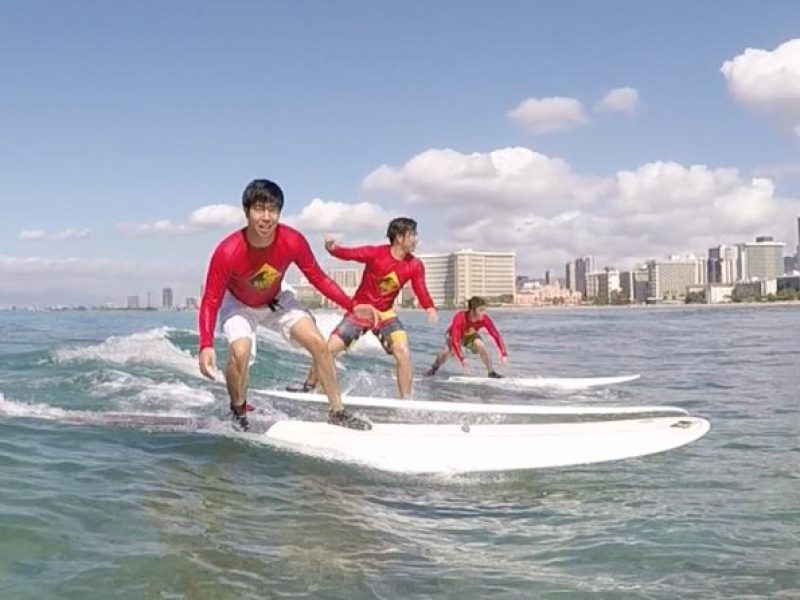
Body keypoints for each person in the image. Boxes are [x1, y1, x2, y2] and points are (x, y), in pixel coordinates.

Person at [198, 178, 374, 431]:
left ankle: (337, 412)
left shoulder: (292, 240)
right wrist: (206, 344)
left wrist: (351, 304)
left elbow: (318, 277)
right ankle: (238, 409)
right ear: (246, 211)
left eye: (273, 210)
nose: (266, 217)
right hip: (238, 304)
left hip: (276, 300)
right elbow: (211, 299)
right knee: (240, 352)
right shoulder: (228, 251)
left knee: (318, 343)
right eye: (260, 208)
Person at [293, 217, 438, 398]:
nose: (416, 239)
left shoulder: (414, 265)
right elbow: (349, 254)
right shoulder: (375, 253)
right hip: (360, 312)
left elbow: (420, 287)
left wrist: (429, 307)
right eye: (413, 235)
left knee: (403, 351)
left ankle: (406, 402)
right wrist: (332, 249)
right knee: (328, 349)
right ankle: (308, 388)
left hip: (385, 314)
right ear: (400, 237)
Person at [424, 296, 508, 378]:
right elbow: (455, 340)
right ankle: (434, 368)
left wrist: (503, 354)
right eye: (481, 310)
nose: (484, 313)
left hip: (470, 335)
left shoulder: (484, 319)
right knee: (447, 351)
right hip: (454, 336)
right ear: (472, 310)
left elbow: (496, 335)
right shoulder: (460, 318)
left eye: (484, 310)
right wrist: (462, 359)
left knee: (481, 345)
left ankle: (491, 372)